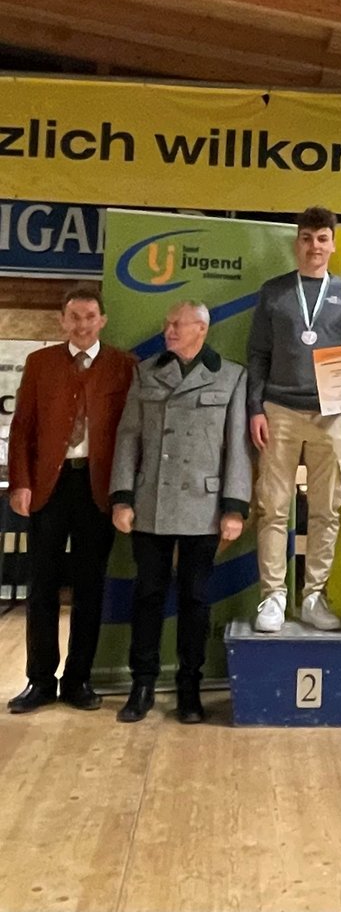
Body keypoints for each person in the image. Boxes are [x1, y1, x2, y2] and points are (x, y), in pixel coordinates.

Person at [110, 301, 252, 723]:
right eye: (167, 322)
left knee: (195, 598)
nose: (168, 329)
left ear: (201, 329)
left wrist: (234, 507)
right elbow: (128, 437)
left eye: (177, 324)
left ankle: (190, 685)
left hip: (202, 506)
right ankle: (142, 684)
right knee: (147, 595)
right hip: (152, 501)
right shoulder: (145, 372)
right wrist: (122, 497)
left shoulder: (231, 376)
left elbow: (238, 446)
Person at [6, 286, 136, 714]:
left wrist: (125, 492)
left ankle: (78, 679)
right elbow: (22, 428)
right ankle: (40, 681)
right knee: (41, 585)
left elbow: (132, 435)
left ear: (103, 320)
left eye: (89, 316)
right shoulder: (40, 363)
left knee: (90, 586)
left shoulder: (123, 366)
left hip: (97, 488)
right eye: (74, 317)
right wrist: (21, 483)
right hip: (49, 485)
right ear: (62, 321)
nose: (82, 325)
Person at [248, 206, 341, 634]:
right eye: (306, 238)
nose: (314, 246)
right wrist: (255, 407)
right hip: (279, 410)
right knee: (273, 509)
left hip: (331, 414)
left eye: (322, 239)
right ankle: (273, 597)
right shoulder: (273, 292)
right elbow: (257, 354)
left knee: (326, 511)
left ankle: (314, 596)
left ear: (333, 244)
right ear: (296, 242)